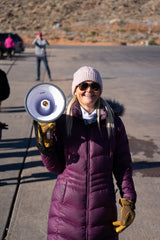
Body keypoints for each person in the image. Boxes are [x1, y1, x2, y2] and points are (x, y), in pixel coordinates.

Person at [34, 66, 137, 240]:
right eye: (83, 85)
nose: (89, 90)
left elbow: (123, 166)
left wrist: (128, 200)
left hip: (103, 214)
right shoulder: (61, 120)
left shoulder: (115, 123)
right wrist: (45, 144)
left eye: (94, 86)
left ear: (100, 90)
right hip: (65, 215)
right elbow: (54, 167)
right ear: (75, 89)